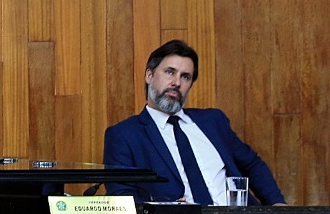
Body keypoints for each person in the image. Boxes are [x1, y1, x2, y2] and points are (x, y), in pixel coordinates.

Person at [102, 39, 286, 204]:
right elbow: (121, 198)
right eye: (170, 72)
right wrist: (169, 210)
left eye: (185, 77)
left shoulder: (213, 121)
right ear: (149, 76)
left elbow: (252, 164)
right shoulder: (124, 135)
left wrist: (277, 204)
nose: (177, 82)